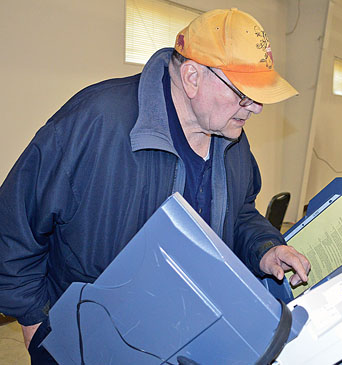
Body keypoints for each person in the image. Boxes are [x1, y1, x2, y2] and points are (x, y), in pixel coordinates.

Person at [0, 8, 310, 363]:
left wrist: (265, 247)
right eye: (244, 95)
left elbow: (241, 212)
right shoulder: (96, 122)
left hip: (184, 336)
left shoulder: (232, 140)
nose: (254, 108)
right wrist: (34, 321)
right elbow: (14, 224)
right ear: (192, 76)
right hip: (88, 341)